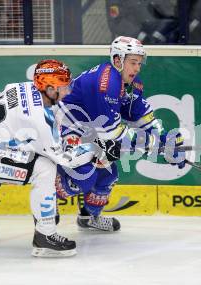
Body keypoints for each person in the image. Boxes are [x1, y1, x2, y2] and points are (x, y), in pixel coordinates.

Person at [0, 59, 96, 257]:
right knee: (44, 167)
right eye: (64, 87)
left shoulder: (23, 86)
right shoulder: (38, 119)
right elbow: (66, 159)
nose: (68, 91)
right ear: (50, 89)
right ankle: (45, 237)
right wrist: (95, 149)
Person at [54, 36, 186, 231]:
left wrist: (164, 138)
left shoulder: (131, 82)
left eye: (139, 63)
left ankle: (89, 218)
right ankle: (46, 200)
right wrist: (156, 146)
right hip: (68, 127)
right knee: (84, 176)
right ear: (117, 60)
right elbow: (113, 134)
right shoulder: (105, 83)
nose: (137, 68)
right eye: (133, 63)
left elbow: (142, 116)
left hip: (93, 132)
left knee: (107, 174)